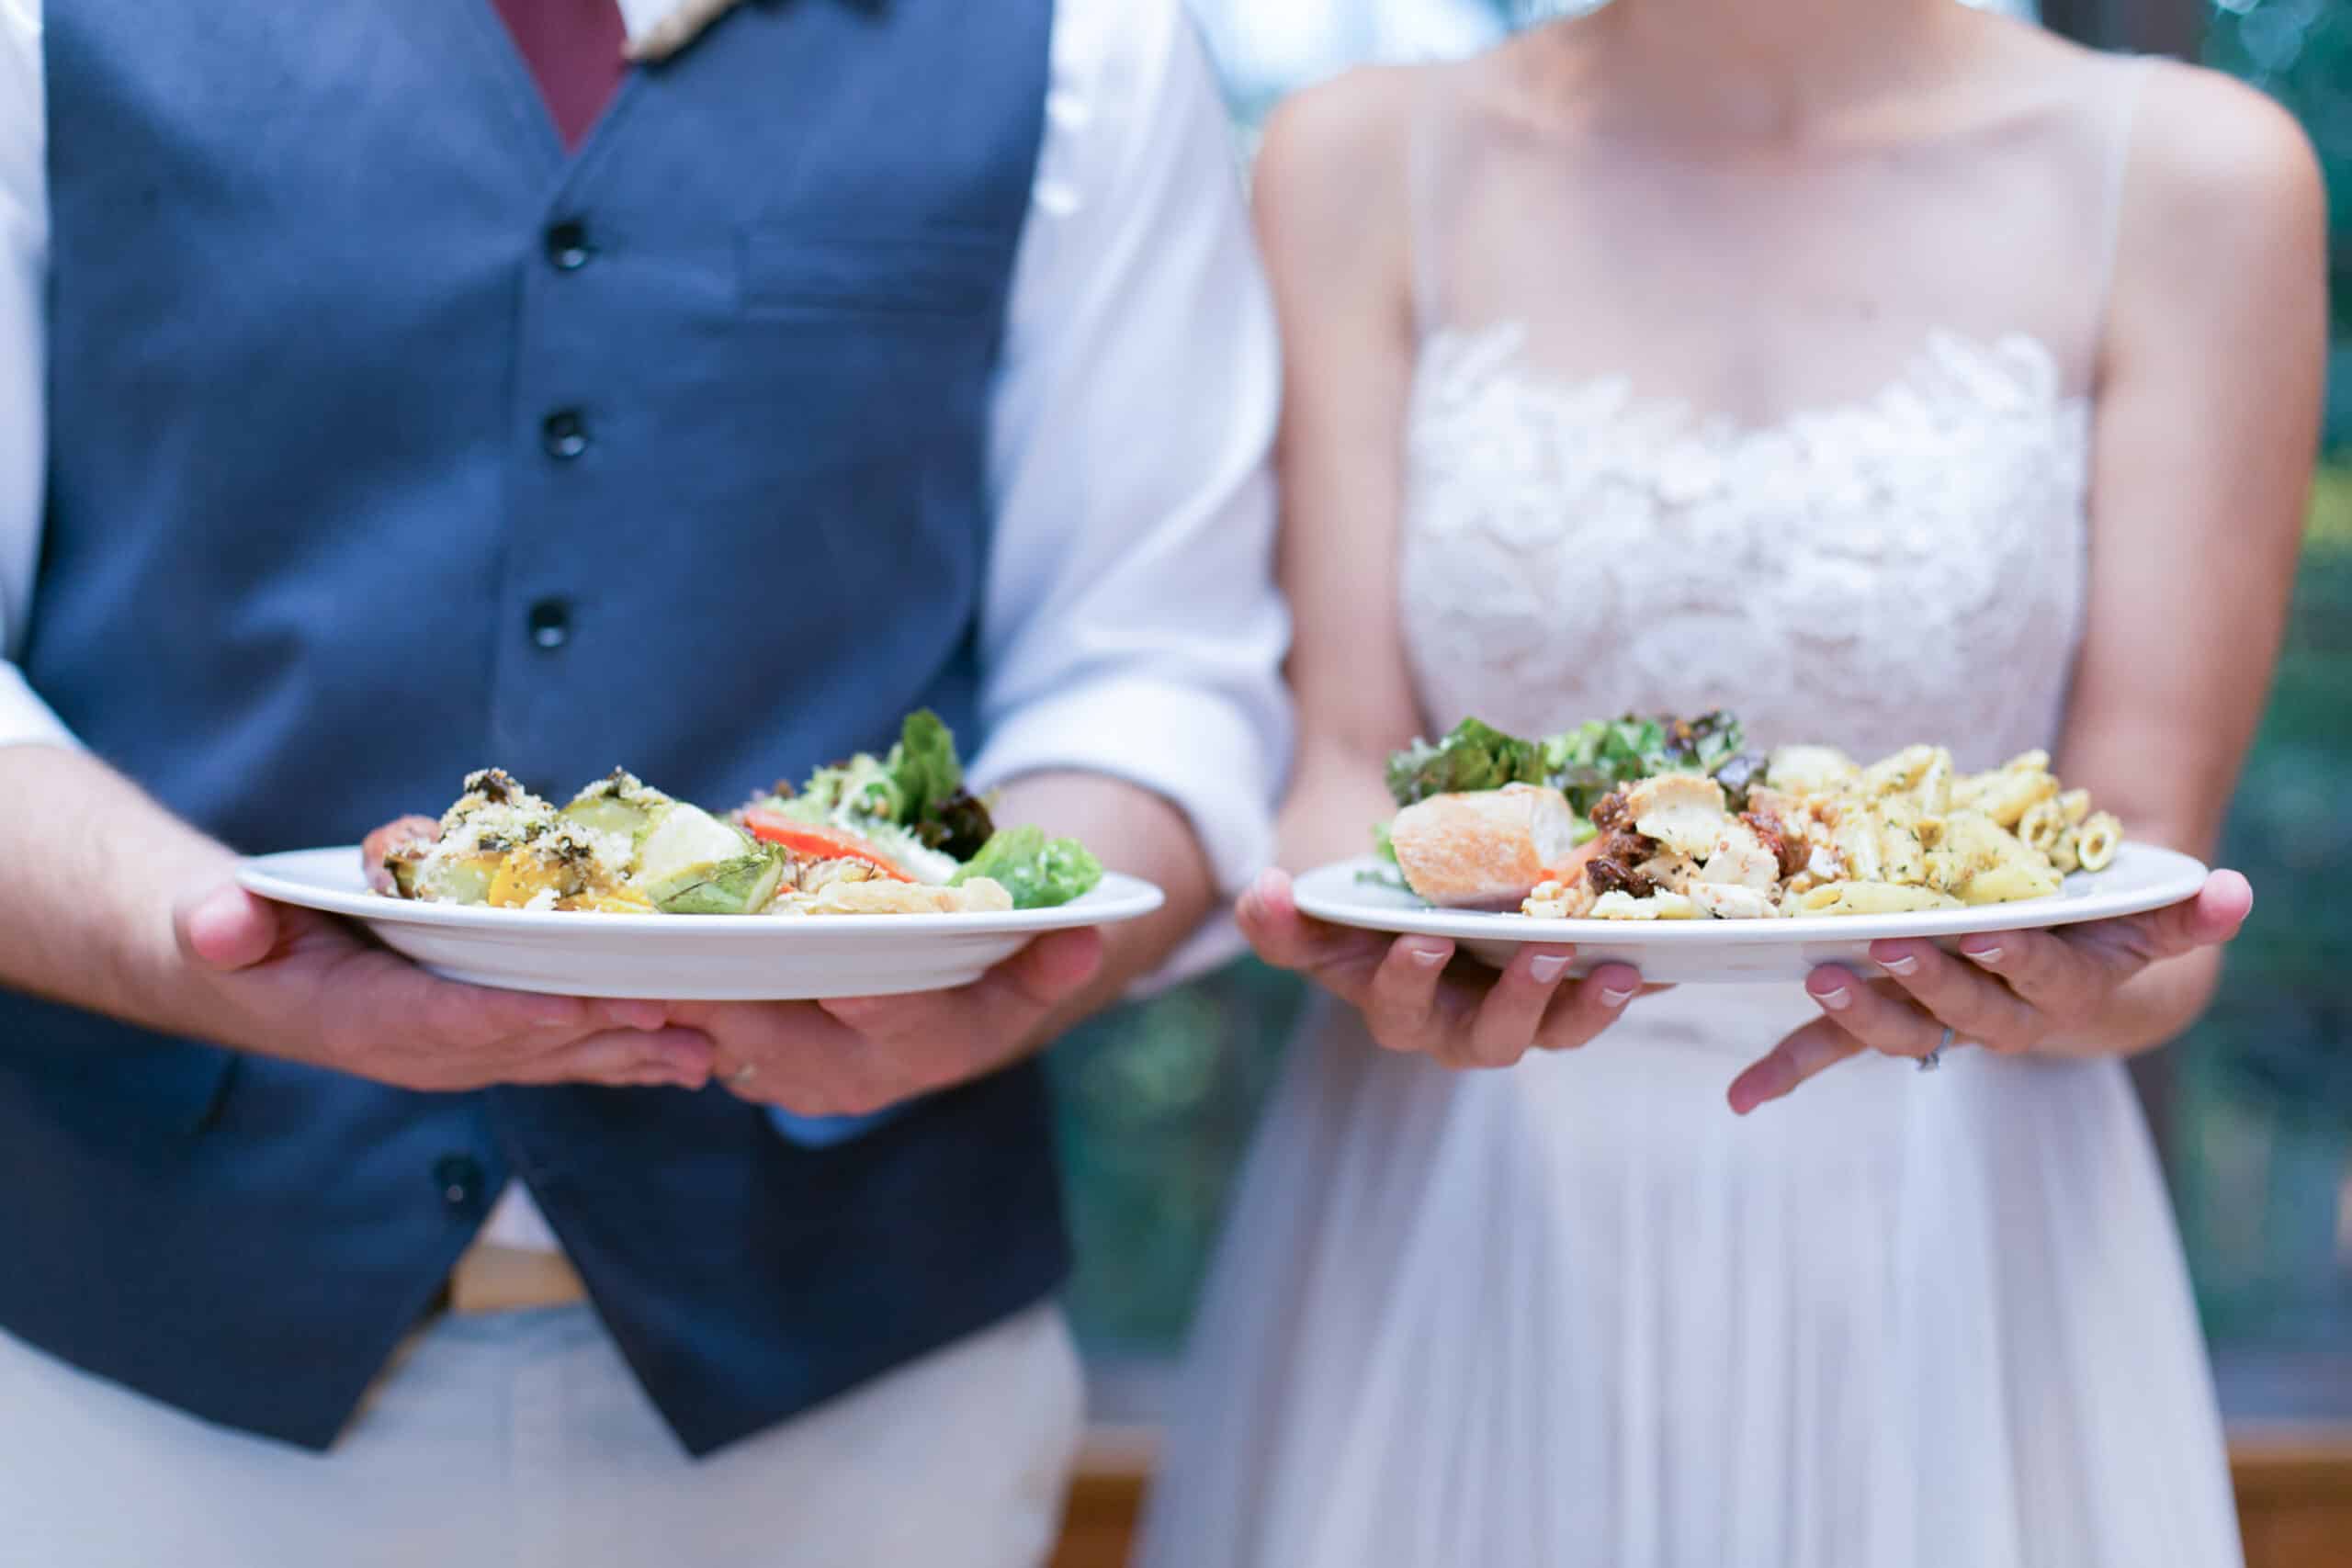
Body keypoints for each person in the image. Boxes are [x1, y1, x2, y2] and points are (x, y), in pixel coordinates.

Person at [0, 0, 1287, 1562]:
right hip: (124, 1376)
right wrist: (193, 941)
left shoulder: (1086, 34)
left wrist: (960, 953)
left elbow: (1154, 669)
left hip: (863, 1395)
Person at [1137, 2, 2323, 1564]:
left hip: (1959, 1236)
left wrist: (2069, 982)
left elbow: (2148, 869)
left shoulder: (2193, 175)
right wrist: (1357, 937)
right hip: (1464, 1205)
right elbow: (1348, 769)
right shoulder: (1357, 157)